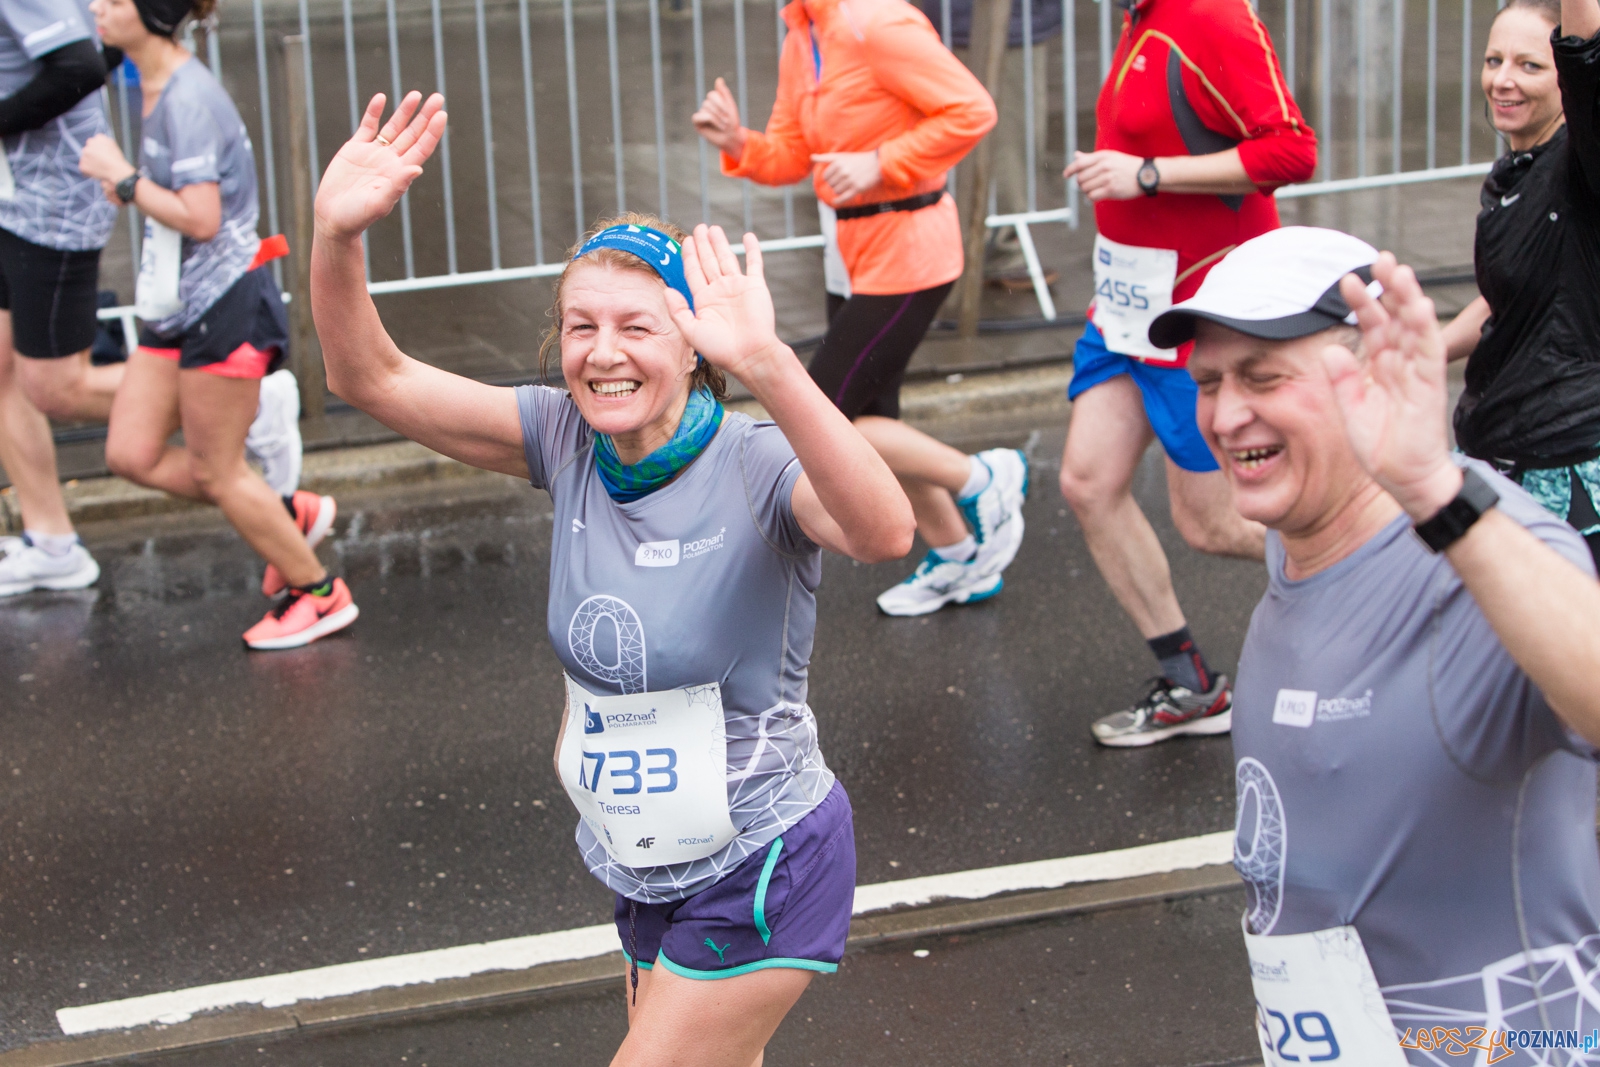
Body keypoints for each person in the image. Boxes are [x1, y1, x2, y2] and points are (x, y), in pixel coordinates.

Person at [313, 90, 915, 1065]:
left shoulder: (755, 462)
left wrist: (767, 359)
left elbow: (883, 528)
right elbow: (368, 376)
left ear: (690, 340)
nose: (602, 353)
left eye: (636, 326)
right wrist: (336, 235)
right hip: (646, 855)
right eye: (579, 325)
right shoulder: (563, 436)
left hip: (765, 852)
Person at [1148, 226, 1600, 1065]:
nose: (1226, 411)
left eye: (1263, 376)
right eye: (1209, 382)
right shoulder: (1305, 526)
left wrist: (1436, 488)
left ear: (1367, 380)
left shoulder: (1483, 550)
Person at [692, 0, 1031, 618]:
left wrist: (882, 162)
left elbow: (972, 109)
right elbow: (797, 154)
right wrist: (739, 141)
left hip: (910, 252)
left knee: (826, 416)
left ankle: (984, 477)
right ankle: (959, 556)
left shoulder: (878, 21)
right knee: (876, 422)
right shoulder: (804, 30)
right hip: (850, 256)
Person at [1059, 0, 1316, 747]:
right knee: (1087, 481)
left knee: (1210, 522)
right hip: (1126, 308)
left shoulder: (1211, 14)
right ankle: (1193, 686)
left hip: (1195, 311)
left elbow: (1292, 151)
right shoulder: (1141, 14)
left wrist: (1147, 173)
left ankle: (1381, 570)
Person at [80, 0, 350, 649]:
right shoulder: (150, 81)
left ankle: (317, 591)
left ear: (152, 12)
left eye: (114, 0)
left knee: (217, 469)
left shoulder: (188, 99)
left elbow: (201, 217)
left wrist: (122, 180)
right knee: (130, 450)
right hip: (176, 304)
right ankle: (285, 514)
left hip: (225, 304)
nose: (96, 7)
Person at [1439, 0, 1600, 571]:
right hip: (1499, 448)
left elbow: (1587, 59)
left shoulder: (1581, 165)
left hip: (1564, 463)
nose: (1502, 80)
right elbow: (1506, 296)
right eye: (1493, 59)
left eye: (1530, 65)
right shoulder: (1520, 167)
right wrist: (1428, 348)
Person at [0, 0, 117, 594]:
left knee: (57, 386)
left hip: (53, 209)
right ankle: (51, 544)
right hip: (11, 199)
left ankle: (244, 397)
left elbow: (80, 65)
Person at [920, 0, 1061, 290]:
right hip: (987, 20)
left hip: (995, 20)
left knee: (1005, 138)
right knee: (1007, 138)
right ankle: (996, 249)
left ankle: (990, 246)